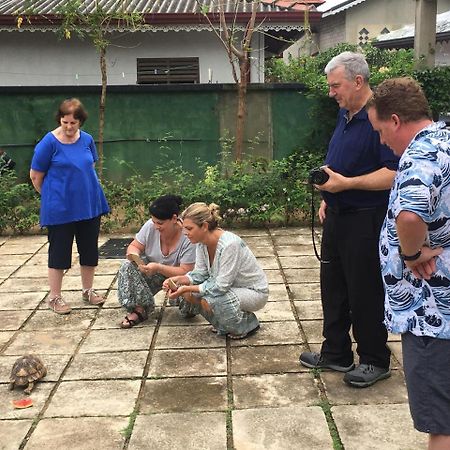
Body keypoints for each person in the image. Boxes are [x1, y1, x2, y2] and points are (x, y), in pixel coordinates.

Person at [299, 51, 399, 387]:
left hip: (366, 218)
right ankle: (336, 352)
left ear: (358, 81)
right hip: (338, 215)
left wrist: (347, 185)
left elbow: (393, 173)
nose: (331, 93)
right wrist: (330, 195)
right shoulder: (346, 115)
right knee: (333, 287)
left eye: (335, 86)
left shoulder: (379, 118)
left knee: (364, 291)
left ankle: (374, 359)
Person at [367, 77, 450, 450]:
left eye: (381, 131)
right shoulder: (445, 140)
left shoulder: (420, 156)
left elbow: (410, 217)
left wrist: (412, 254)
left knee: (442, 422)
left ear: (396, 120)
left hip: (432, 310)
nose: (383, 141)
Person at [30, 98, 110, 315]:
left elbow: (89, 167)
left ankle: (88, 290)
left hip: (89, 205)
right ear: (60, 120)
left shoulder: (87, 140)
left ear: (80, 122)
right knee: (59, 253)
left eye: (73, 123)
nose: (68, 127)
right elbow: (36, 176)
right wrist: (51, 198)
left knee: (89, 249)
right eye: (64, 122)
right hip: (60, 209)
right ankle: (54, 297)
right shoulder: (48, 143)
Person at [164, 202, 268, 339]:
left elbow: (221, 287)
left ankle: (247, 324)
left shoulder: (230, 244)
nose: (185, 233)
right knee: (192, 293)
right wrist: (180, 280)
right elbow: (200, 274)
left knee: (212, 298)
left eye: (189, 228)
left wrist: (186, 289)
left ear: (205, 226)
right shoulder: (201, 242)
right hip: (230, 288)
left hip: (254, 292)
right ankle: (224, 325)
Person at [118, 195, 196, 328]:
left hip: (178, 278)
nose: (155, 226)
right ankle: (140, 309)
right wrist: (137, 259)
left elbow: (186, 271)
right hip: (152, 273)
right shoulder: (150, 226)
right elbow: (134, 246)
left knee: (188, 312)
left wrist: (159, 267)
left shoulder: (188, 235)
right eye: (153, 222)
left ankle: (181, 301)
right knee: (127, 266)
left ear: (174, 219)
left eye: (160, 223)